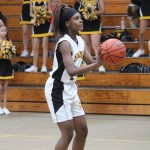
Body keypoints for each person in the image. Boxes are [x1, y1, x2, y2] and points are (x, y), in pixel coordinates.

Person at [45, 4, 102, 150]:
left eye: (80, 17)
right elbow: (71, 70)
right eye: (76, 18)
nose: (81, 20)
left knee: (82, 130)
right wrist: (96, 64)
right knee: (68, 132)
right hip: (57, 89)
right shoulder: (64, 43)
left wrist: (104, 54)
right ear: (67, 23)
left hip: (70, 88)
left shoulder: (81, 41)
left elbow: (91, 62)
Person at [74, 0, 106, 73]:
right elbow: (76, 11)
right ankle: (89, 66)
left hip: (95, 24)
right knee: (86, 46)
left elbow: (103, 10)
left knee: (96, 45)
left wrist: (94, 12)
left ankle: (100, 65)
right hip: (83, 24)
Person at [25, 0, 53, 73]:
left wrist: (44, 15)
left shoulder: (47, 0)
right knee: (35, 47)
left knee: (44, 45)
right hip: (36, 24)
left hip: (45, 24)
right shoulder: (32, 1)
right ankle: (34, 66)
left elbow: (51, 12)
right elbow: (30, 13)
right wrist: (36, 16)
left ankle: (44, 66)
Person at [0, 25, 16, 115]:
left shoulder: (9, 41)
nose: (3, 32)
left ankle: (5, 106)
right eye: (2, 31)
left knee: (5, 87)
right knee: (0, 87)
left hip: (7, 65)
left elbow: (12, 55)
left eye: (5, 31)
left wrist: (12, 66)